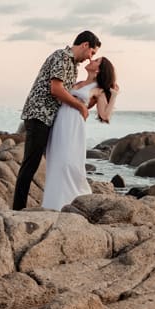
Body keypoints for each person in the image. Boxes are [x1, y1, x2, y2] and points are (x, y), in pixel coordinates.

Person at [13, 30, 100, 210]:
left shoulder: (73, 65)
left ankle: (55, 200)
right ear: (85, 45)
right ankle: (18, 209)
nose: (90, 58)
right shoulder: (62, 57)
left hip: (48, 118)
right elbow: (56, 90)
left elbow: (69, 96)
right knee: (30, 164)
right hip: (39, 115)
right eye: (92, 52)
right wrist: (80, 106)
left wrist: (87, 102)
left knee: (47, 162)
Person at [41, 57, 118, 210]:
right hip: (59, 120)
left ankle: (71, 201)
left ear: (99, 69)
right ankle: (52, 204)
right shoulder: (77, 81)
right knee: (55, 160)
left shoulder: (98, 89)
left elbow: (104, 116)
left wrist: (114, 95)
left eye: (96, 60)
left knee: (68, 162)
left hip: (74, 124)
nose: (91, 60)